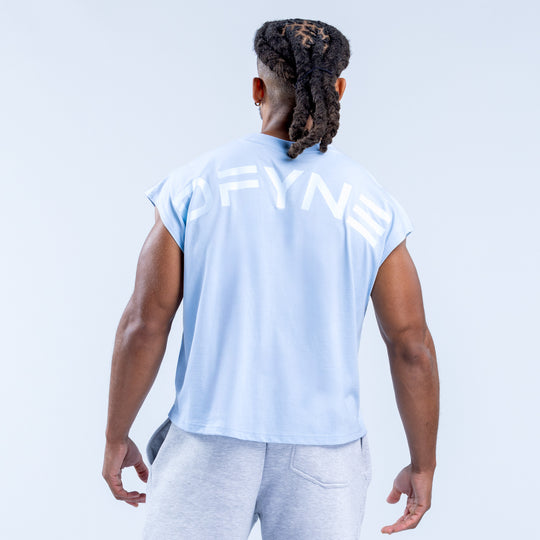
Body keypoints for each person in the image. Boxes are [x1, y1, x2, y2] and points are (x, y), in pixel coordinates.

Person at [102, 18, 439, 539]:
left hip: (208, 445)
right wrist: (423, 464)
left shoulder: (194, 186)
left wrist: (115, 435)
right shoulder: (371, 203)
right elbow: (411, 344)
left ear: (258, 89)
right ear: (339, 89)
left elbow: (144, 324)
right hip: (324, 456)